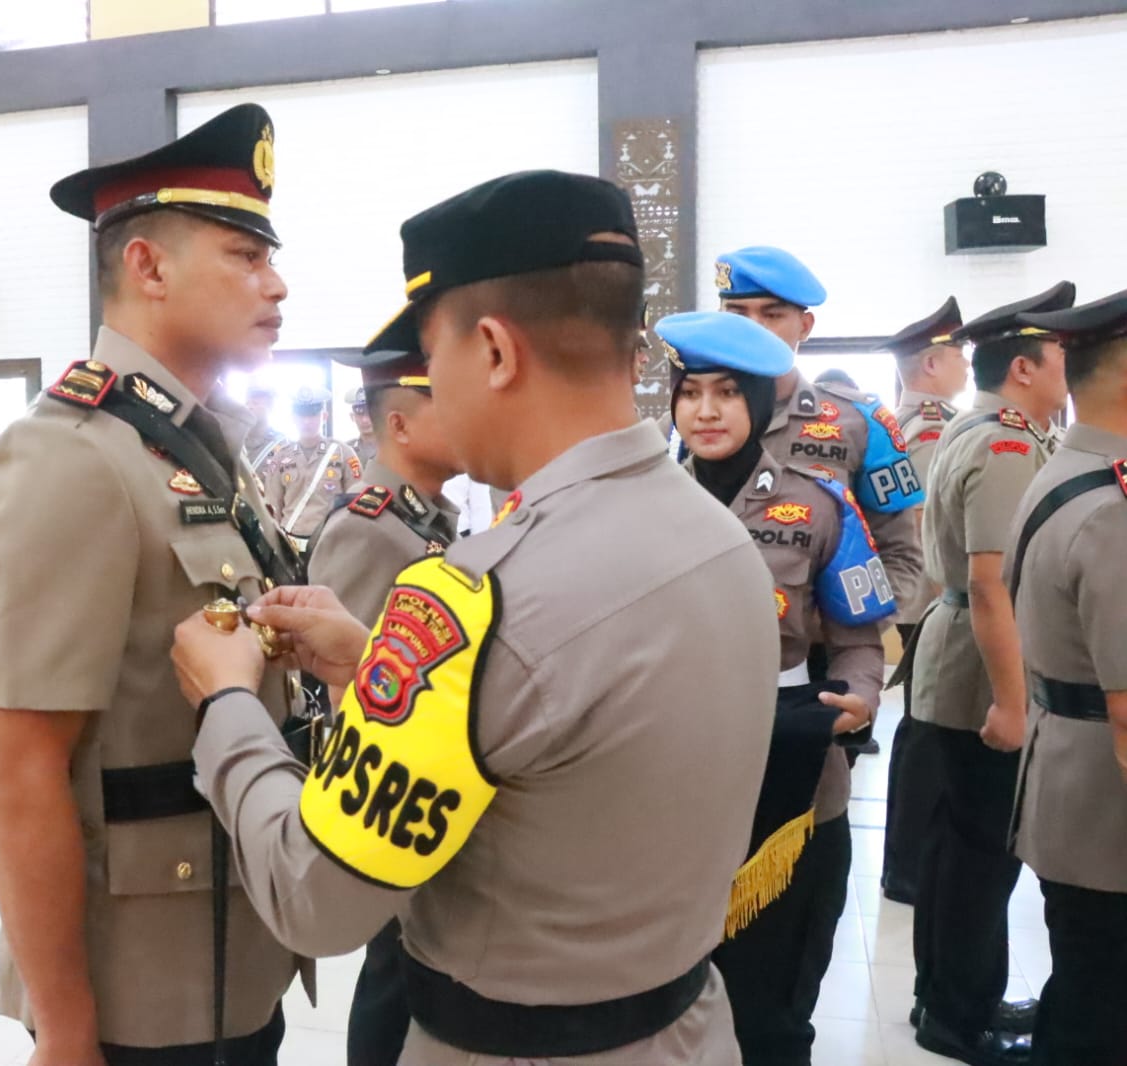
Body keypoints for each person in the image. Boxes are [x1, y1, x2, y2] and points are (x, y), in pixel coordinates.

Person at [170, 170, 779, 1065]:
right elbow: (561, 739)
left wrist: (224, 708)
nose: (430, 399)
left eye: (432, 356)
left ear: (492, 351)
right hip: (688, 1027)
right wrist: (372, 659)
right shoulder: (719, 538)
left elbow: (316, 898)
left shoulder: (478, 598)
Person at [0, 102, 306, 1066]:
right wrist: (66, 1029)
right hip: (136, 992)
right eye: (244, 255)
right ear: (147, 266)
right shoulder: (72, 456)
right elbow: (22, 772)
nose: (275, 283)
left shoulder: (193, 446)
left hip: (231, 947)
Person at [659, 311, 890, 1066]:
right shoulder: (642, 501)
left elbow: (858, 640)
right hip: (663, 775)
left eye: (727, 393)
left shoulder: (821, 500)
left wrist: (856, 699)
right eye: (689, 392)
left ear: (760, 404)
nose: (704, 410)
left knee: (774, 1009)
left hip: (790, 775)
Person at [909, 282, 1076, 1065]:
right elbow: (989, 583)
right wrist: (1012, 704)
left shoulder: (979, 428)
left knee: (956, 848)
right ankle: (960, 1016)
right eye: (1056, 360)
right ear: (1021, 369)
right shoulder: (1005, 441)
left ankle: (942, 996)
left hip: (958, 657)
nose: (1063, 374)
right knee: (981, 856)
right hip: (980, 670)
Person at [308, 350, 461, 1066]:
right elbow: (353, 694)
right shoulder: (369, 527)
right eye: (446, 399)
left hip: (433, 789)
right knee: (393, 978)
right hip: (395, 801)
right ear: (397, 422)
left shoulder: (425, 517)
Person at [1006, 288, 1127, 1066]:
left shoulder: (1067, 469)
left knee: (1083, 986)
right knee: (1101, 1011)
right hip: (1105, 809)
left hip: (1064, 775)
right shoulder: (1111, 507)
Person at [714, 246, 925, 619]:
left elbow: (901, 556)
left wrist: (850, 641)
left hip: (817, 663)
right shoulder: (680, 430)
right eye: (738, 313)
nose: (753, 328)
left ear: (805, 326)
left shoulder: (860, 422)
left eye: (772, 314)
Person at [878, 297, 968, 905]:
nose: (965, 365)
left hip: (921, 600)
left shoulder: (910, 423)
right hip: (930, 602)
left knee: (922, 732)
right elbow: (935, 528)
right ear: (932, 363)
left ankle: (907, 865)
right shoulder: (932, 429)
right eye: (958, 355)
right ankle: (909, 869)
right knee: (928, 736)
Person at [265, 384, 361, 550]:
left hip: (329, 542)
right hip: (290, 543)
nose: (307, 422)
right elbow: (272, 506)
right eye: (302, 415)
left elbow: (356, 499)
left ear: (324, 416)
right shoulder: (280, 457)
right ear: (293, 417)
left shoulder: (343, 453)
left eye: (313, 415)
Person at [242, 381, 286, 475]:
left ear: (271, 407)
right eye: (247, 403)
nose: (250, 407)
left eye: (255, 403)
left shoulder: (283, 445)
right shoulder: (234, 441)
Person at [346, 386, 379, 466]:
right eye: (360, 413)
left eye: (369, 413)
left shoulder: (394, 448)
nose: (365, 420)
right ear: (352, 417)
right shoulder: (346, 450)